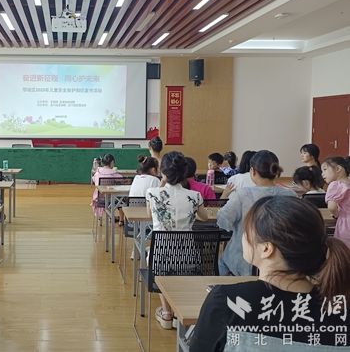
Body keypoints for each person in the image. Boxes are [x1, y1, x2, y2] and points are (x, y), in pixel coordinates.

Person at [190, 196, 350, 351]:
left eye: (246, 232)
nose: (243, 237)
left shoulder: (227, 302)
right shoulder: (342, 310)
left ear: (266, 249)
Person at [146, 151, 209, 329]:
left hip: (160, 256)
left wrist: (162, 183)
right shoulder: (195, 196)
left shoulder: (152, 193)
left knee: (157, 263)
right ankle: (178, 311)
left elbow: (149, 215)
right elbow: (204, 217)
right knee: (179, 267)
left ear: (163, 172)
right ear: (184, 173)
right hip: (188, 256)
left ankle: (166, 312)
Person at [216, 150, 297, 276]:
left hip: (243, 261)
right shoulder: (290, 195)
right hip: (281, 261)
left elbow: (223, 221)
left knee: (222, 262)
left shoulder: (242, 195)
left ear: (252, 171)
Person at [322, 156, 350, 247]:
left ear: (338, 169)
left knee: (344, 248)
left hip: (346, 223)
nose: (322, 174)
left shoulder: (335, 185)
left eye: (325, 169)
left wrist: (337, 214)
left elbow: (332, 207)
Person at [91, 154, 125, 224]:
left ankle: (109, 217)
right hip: (112, 199)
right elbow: (121, 180)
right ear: (112, 162)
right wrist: (115, 171)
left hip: (99, 199)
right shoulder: (114, 174)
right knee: (122, 198)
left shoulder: (97, 172)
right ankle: (121, 220)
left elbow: (94, 180)